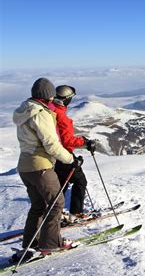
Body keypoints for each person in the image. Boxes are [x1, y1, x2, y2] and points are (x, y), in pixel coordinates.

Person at [12, 78, 83, 255]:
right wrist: (70, 160)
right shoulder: (41, 113)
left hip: (25, 166)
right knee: (56, 203)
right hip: (41, 166)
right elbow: (51, 144)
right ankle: (51, 243)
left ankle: (31, 243)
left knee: (39, 205)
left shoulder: (25, 110)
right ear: (48, 96)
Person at [53, 85, 96, 222]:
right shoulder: (61, 116)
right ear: (65, 100)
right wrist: (85, 141)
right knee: (80, 181)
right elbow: (67, 140)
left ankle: (55, 213)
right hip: (64, 154)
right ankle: (75, 214)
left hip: (54, 155)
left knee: (61, 185)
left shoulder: (51, 111)